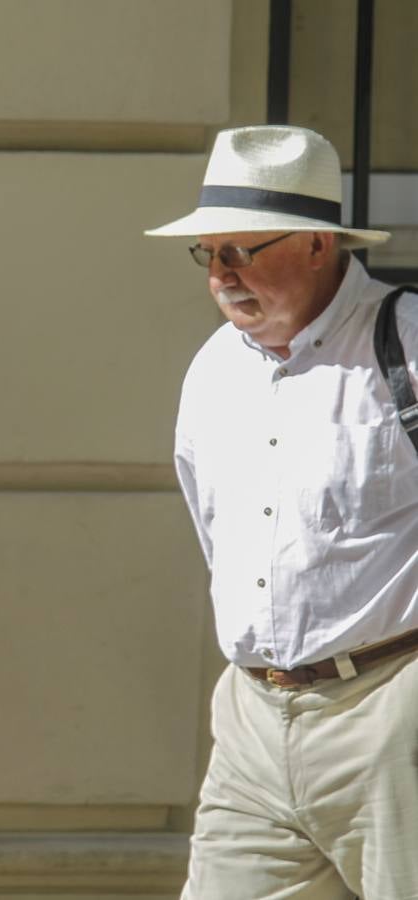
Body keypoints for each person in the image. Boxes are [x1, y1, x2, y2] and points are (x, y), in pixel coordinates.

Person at [147, 124, 418, 898]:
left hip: (391, 709)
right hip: (253, 720)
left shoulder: (405, 342)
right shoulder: (212, 371)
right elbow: (217, 536)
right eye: (210, 254)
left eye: (244, 250)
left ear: (315, 246)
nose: (222, 275)